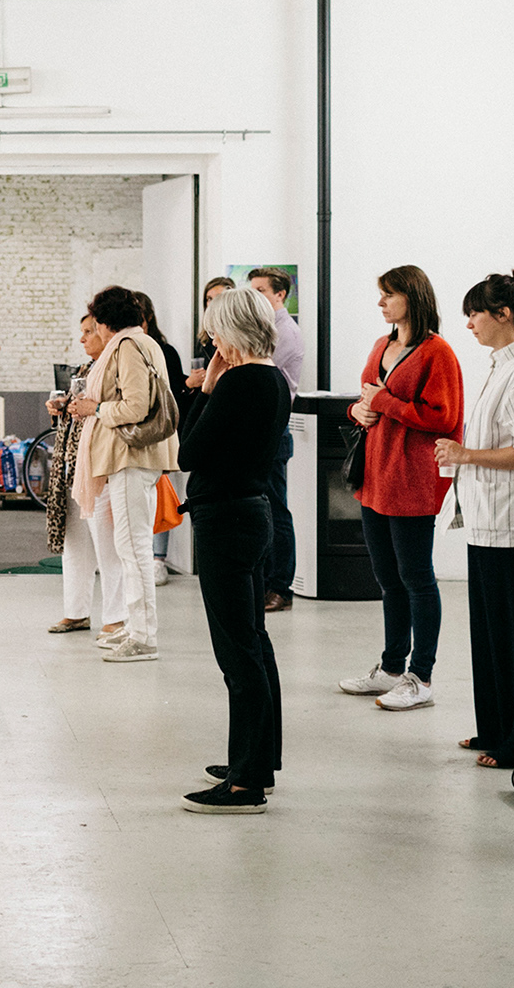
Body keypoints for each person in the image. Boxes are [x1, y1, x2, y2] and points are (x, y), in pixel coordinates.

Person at [434, 270, 514, 769]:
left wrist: (466, 455)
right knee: (489, 633)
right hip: (489, 519)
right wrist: (464, 456)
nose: (469, 324)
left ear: (503, 314)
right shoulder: (499, 365)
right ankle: (495, 727)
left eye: (475, 314)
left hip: (513, 521)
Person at [176, 286, 291, 813]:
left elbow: (190, 451)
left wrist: (208, 388)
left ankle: (246, 782)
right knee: (253, 645)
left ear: (234, 330)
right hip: (249, 513)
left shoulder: (242, 381)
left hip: (228, 521)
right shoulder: (270, 379)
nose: (210, 339)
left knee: (238, 653)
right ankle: (256, 759)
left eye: (215, 329)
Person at [338, 265, 464, 712]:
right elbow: (364, 399)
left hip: (411, 479)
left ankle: (421, 675)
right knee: (388, 579)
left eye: (388, 295)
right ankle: (391, 667)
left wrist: (382, 403)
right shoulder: (381, 346)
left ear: (411, 297)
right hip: (375, 476)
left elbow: (444, 418)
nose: (381, 303)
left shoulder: (438, 353)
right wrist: (360, 412)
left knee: (416, 579)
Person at [68, 285, 180, 662]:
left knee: (134, 550)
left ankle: (144, 637)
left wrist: (95, 409)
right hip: (127, 458)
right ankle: (135, 628)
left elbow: (135, 405)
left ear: (103, 323)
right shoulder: (140, 343)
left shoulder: (129, 346)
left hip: (132, 457)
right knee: (130, 548)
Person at [45, 314, 128, 636]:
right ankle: (76, 612)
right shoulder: (83, 371)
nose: (82, 339)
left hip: (99, 466)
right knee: (75, 545)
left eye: (88, 332)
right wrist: (61, 408)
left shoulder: (114, 370)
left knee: (108, 548)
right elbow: (78, 413)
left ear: (106, 332)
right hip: (72, 467)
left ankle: (115, 617)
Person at [245, 268, 304, 611]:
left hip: (273, 430)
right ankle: (267, 581)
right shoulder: (267, 330)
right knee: (264, 510)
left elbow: (258, 376)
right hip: (261, 431)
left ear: (281, 295)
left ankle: (280, 586)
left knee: (276, 511)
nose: (255, 296)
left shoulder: (285, 334)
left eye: (261, 290)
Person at [131, 290, 188, 584]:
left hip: (159, 432)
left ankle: (158, 559)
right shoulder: (122, 349)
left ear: (147, 317)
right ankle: (140, 556)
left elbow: (175, 392)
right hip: (132, 434)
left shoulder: (164, 351)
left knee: (160, 494)